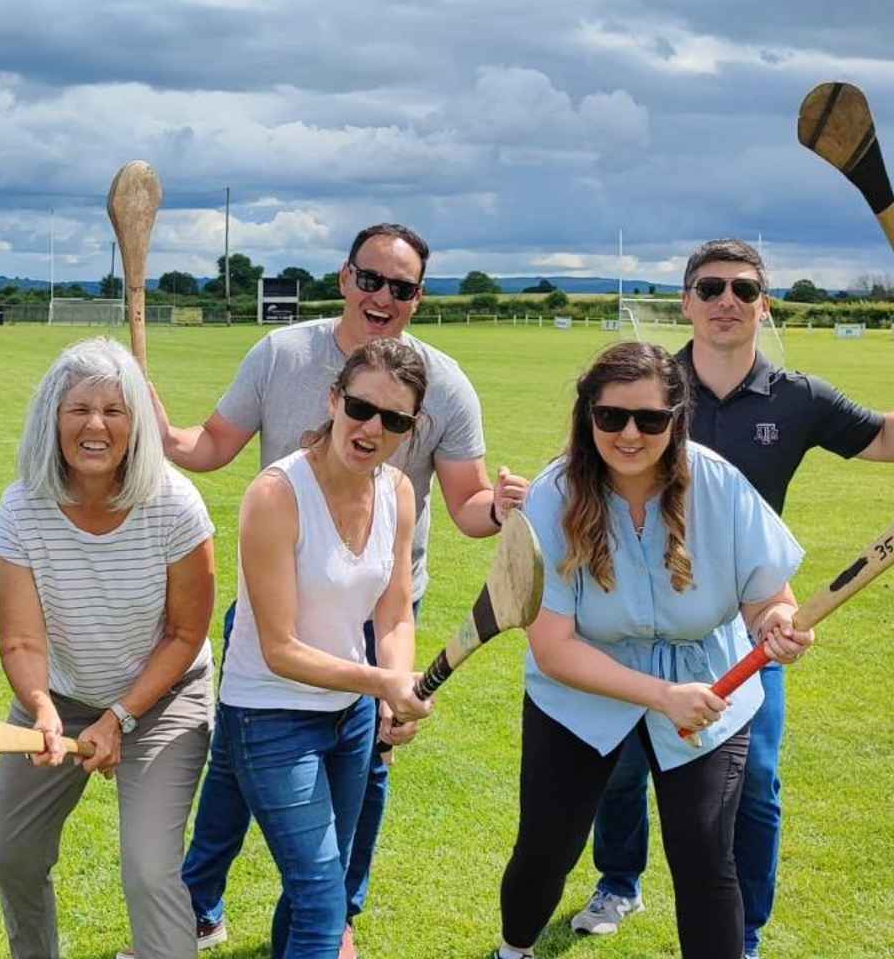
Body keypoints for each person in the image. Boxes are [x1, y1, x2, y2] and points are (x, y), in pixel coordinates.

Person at [159, 223, 527, 956]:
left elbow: (456, 519)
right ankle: (201, 906)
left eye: (402, 287)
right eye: (372, 279)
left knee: (327, 861)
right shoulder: (283, 363)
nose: (383, 295)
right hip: (282, 630)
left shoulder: (416, 444)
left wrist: (502, 510)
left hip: (367, 617)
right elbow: (208, 447)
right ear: (345, 277)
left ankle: (324, 914)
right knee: (239, 776)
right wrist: (154, 426)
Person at [572, 240, 893, 958]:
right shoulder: (651, 385)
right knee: (620, 765)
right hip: (627, 618)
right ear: (684, 301)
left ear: (763, 304)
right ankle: (618, 882)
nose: (727, 300)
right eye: (709, 287)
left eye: (744, 290)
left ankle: (742, 935)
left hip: (747, 623)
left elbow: (885, 440)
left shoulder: (799, 398)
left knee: (756, 783)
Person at [493, 340, 814, 959]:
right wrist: (663, 696)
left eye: (651, 419)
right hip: (580, 693)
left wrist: (778, 624)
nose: (630, 434)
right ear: (589, 417)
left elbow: (769, 599)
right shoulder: (552, 495)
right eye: (611, 416)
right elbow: (554, 650)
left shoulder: (719, 483)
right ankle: (513, 950)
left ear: (677, 417)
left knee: (703, 854)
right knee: (548, 845)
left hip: (709, 691)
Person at [0, 337, 217, 959]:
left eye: (114, 411)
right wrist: (40, 706)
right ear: (51, 419)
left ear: (136, 424)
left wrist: (121, 716)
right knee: (13, 857)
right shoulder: (22, 506)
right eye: (78, 409)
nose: (95, 425)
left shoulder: (173, 503)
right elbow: (21, 639)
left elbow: (185, 634)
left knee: (148, 869)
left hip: (165, 698)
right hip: (59, 698)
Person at [220, 338, 432, 958]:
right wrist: (382, 684)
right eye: (361, 408)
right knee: (321, 900)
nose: (372, 428)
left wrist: (395, 688)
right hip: (269, 716)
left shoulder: (397, 492)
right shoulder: (276, 495)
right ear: (334, 399)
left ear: (409, 429)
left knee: (317, 886)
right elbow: (280, 648)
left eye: (394, 420)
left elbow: (394, 609)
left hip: (351, 718)